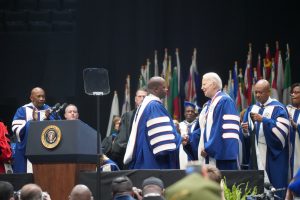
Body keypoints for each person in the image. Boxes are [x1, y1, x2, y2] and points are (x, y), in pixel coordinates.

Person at [241, 79, 289, 198]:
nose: (257, 95)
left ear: (268, 92)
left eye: (260, 92)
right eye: (255, 92)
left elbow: (282, 133)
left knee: (274, 188)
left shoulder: (279, 108)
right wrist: (245, 130)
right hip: (256, 154)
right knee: (256, 188)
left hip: (272, 154)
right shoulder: (251, 108)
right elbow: (247, 137)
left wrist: (264, 120)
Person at [123, 76, 181, 169]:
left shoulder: (146, 105)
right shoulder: (154, 106)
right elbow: (163, 145)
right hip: (154, 163)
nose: (167, 89)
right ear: (156, 89)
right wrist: (180, 137)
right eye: (164, 87)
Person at [190, 72, 240, 170]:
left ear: (213, 84)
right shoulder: (208, 105)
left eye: (204, 84)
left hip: (221, 157)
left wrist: (208, 147)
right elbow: (203, 129)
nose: (201, 87)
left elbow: (222, 128)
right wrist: (189, 139)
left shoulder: (224, 101)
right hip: (209, 155)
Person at [11, 87, 59, 173]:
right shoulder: (23, 110)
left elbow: (58, 129)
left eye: (43, 96)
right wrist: (33, 122)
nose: (41, 99)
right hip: (27, 152)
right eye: (39, 96)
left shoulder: (50, 110)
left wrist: (48, 119)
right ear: (31, 98)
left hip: (46, 151)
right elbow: (17, 130)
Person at [111, 88, 147, 169]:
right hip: (132, 158)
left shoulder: (152, 114)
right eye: (139, 96)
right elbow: (122, 140)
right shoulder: (128, 116)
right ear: (135, 99)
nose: (142, 99)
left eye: (144, 97)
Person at [286, 83, 300, 177]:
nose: (293, 95)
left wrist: (295, 125)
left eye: (297, 92)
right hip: (288, 150)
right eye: (293, 92)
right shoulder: (287, 109)